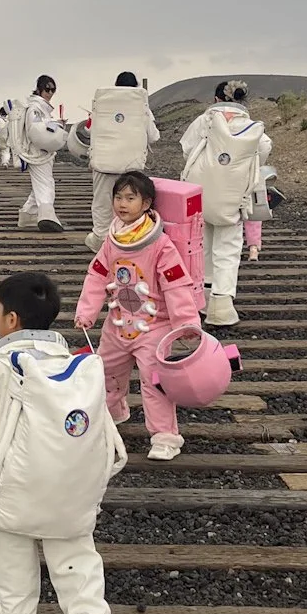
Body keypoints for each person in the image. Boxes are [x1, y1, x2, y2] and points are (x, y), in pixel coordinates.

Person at [0, 270, 129, 614]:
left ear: (11, 319)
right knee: (75, 552)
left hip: (17, 485)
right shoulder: (80, 366)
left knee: (12, 553)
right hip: (74, 485)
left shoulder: (3, 364)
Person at [75, 170, 199, 462]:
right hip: (117, 322)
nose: (122, 203)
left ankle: (165, 436)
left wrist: (185, 323)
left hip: (155, 326)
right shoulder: (113, 239)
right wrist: (86, 312)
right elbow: (97, 275)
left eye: (130, 198)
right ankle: (112, 413)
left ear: (146, 204)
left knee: (154, 380)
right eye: (118, 197)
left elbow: (176, 284)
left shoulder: (161, 244)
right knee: (106, 372)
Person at [179, 81, 271, 326]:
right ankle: (222, 305)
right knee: (228, 248)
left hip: (201, 192)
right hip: (233, 195)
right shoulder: (251, 126)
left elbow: (187, 149)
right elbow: (263, 150)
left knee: (203, 244)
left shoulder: (204, 121)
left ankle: (202, 297)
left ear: (216, 99)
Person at [82, 70, 161, 251]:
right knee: (130, 202)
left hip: (104, 163)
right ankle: (127, 238)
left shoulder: (103, 103)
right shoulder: (142, 106)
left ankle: (101, 240)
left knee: (102, 203)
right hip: (130, 164)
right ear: (136, 87)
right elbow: (153, 136)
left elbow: (88, 130)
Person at [15, 75, 69, 231]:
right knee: (45, 184)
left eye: (53, 90)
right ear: (39, 89)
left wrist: (55, 123)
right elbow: (35, 129)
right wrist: (54, 124)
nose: (50, 93)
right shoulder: (35, 108)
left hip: (43, 152)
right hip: (37, 152)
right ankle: (47, 216)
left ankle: (27, 215)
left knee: (39, 184)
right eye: (47, 89)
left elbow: (41, 126)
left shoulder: (41, 108)